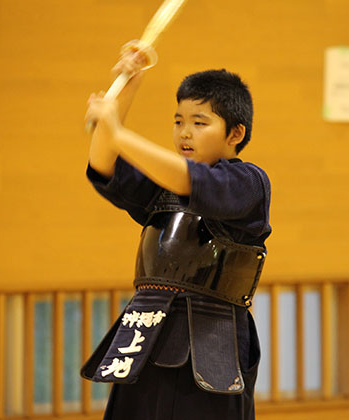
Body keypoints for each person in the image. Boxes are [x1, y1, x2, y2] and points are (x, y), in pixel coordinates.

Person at [81, 44, 271, 420]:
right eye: (178, 121)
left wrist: (117, 131)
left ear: (235, 133)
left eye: (200, 123)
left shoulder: (248, 182)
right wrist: (130, 83)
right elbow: (102, 164)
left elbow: (189, 180)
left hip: (212, 338)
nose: (185, 132)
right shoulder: (164, 188)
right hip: (146, 330)